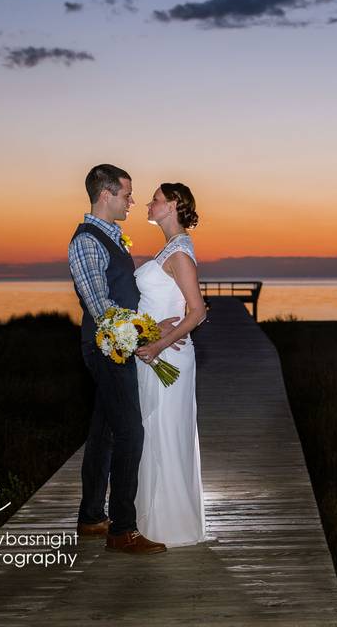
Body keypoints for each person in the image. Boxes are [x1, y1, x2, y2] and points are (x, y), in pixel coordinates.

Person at [68, 164, 179, 555]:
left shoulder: (111, 237)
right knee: (131, 432)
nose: (132, 201)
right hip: (107, 347)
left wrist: (151, 328)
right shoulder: (86, 241)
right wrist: (137, 338)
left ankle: (91, 516)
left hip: (120, 340)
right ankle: (123, 529)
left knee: (103, 432)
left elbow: (121, 301)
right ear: (105, 194)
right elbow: (101, 307)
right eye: (126, 194)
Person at [133, 182, 211, 546]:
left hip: (169, 358)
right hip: (153, 351)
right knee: (153, 431)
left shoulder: (180, 253)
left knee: (165, 430)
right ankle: (150, 519)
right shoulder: (169, 249)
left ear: (174, 205)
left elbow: (196, 311)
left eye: (156, 200)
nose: (149, 204)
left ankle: (172, 525)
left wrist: (159, 344)